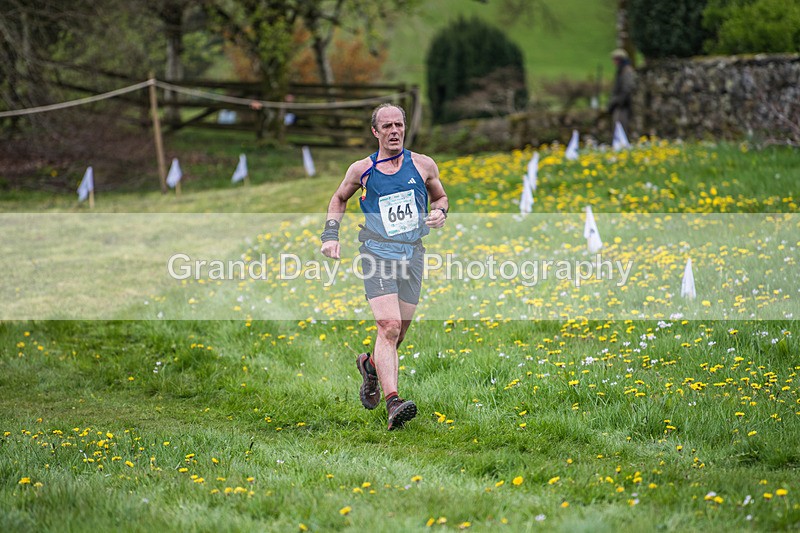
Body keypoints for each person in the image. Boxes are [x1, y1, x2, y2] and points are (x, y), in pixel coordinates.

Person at [320, 103, 449, 430]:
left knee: (398, 334)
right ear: (375, 132)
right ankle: (393, 401)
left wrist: (440, 213)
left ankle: (371, 367)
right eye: (387, 126)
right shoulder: (362, 170)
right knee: (389, 326)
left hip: (413, 254)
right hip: (376, 253)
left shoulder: (423, 165)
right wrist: (330, 235)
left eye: (399, 125)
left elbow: (441, 197)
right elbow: (339, 198)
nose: (394, 131)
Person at [608, 48, 636, 134]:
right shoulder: (621, 71)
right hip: (618, 105)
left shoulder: (627, 71)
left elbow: (627, 89)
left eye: (615, 59)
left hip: (623, 106)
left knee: (621, 130)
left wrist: (618, 101)